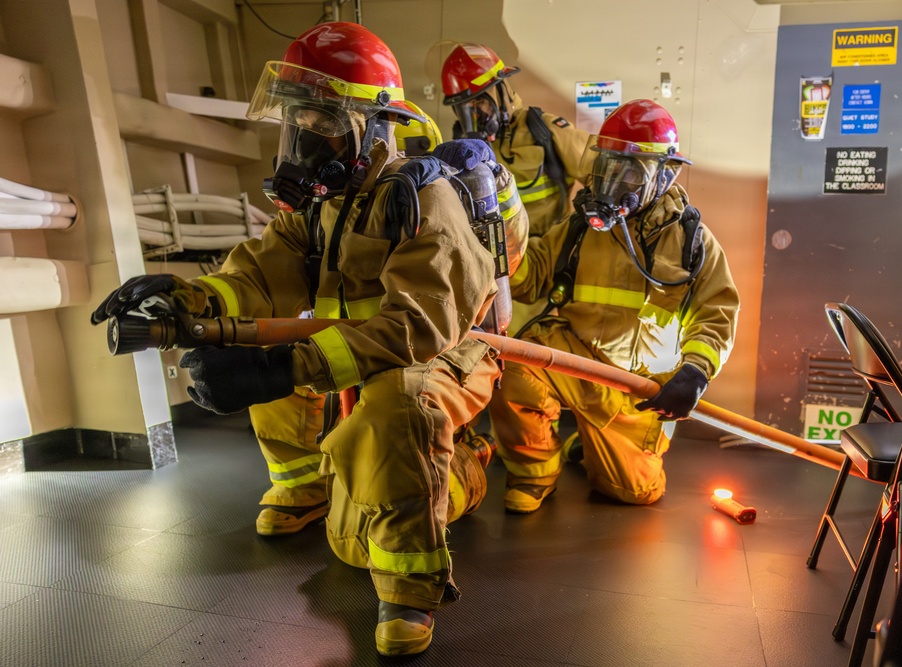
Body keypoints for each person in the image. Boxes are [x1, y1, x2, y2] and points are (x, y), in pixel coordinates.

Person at [90, 22, 524, 656]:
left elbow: (418, 329)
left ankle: (414, 579)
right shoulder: (325, 206)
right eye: (294, 124)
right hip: (358, 349)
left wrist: (285, 367)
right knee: (283, 379)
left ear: (374, 127)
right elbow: (257, 274)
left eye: (319, 123)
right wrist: (184, 299)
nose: (300, 141)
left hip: (441, 359)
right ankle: (305, 483)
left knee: (393, 409)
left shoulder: (425, 198)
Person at [488, 99, 740, 513]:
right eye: (607, 167)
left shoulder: (692, 241)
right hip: (575, 361)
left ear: (665, 173)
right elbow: (529, 278)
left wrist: (695, 372)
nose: (612, 183)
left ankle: (592, 442)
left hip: (634, 389)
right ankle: (534, 473)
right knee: (517, 362)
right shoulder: (578, 230)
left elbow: (718, 311)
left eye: (629, 171)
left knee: (634, 493)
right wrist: (501, 226)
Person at [441, 42, 589, 237]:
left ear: (501, 92)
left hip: (545, 251)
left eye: (481, 102)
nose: (476, 115)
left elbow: (600, 170)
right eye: (465, 109)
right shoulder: (467, 150)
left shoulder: (545, 130)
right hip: (496, 250)